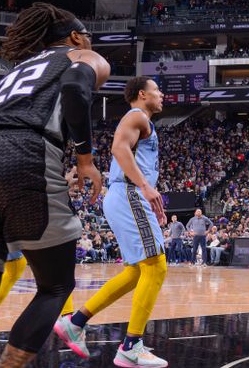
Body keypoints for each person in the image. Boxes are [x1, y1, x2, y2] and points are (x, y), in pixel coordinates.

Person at [0, 3, 109, 367]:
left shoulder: (19, 69)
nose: (90, 42)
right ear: (74, 36)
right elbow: (74, 87)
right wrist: (85, 159)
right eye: (88, 35)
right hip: (25, 152)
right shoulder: (81, 55)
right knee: (55, 285)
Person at [55, 76, 168, 367]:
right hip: (129, 193)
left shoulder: (143, 120)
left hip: (125, 195)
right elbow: (119, 149)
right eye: (157, 90)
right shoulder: (136, 116)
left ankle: (75, 322)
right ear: (142, 94)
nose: (162, 94)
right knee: (156, 266)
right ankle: (131, 345)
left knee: (135, 272)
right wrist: (144, 187)